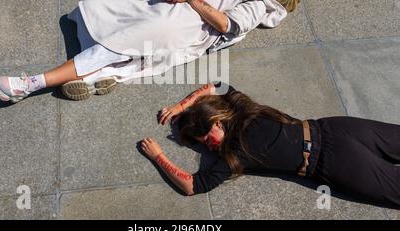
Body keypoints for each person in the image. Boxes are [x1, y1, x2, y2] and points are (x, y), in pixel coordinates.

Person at [0, 0, 301, 103]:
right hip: (167, 13)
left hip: (181, 26)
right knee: (91, 14)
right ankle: (103, 75)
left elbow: (227, 25)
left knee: (107, 46)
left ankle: (29, 84)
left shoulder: (259, 5)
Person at [141, 83, 400, 209]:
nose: (208, 147)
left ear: (218, 121)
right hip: (330, 161)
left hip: (334, 129)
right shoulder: (232, 154)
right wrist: (158, 156)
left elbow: (216, 83)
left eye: (208, 138)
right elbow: (193, 185)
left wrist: (182, 106)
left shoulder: (242, 110)